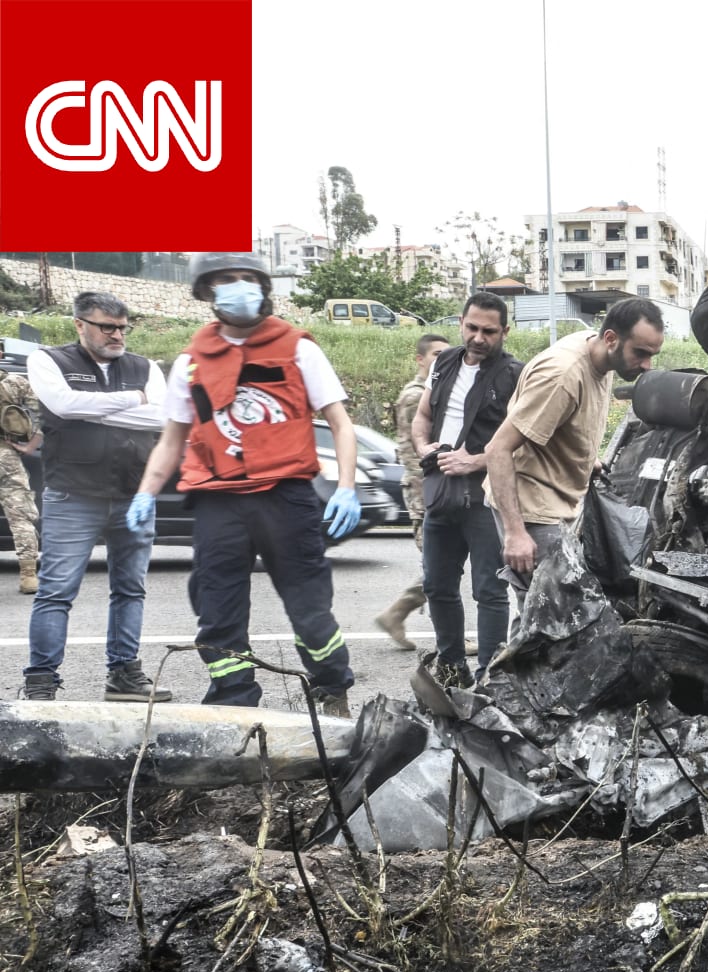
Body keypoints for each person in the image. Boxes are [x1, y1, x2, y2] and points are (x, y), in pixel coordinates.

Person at [128, 251, 359, 716]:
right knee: (218, 614)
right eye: (226, 280)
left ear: (263, 287)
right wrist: (145, 492)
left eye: (246, 278)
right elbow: (172, 438)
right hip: (218, 502)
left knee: (310, 612)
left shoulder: (298, 348)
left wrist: (347, 487)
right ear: (207, 293)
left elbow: (340, 422)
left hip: (286, 497)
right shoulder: (191, 362)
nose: (238, 287)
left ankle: (331, 689)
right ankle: (235, 709)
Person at [20, 291, 169, 703]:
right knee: (56, 591)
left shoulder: (145, 366)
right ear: (80, 324)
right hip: (73, 495)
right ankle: (41, 681)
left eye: (122, 327)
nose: (117, 334)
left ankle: (123, 674)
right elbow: (63, 406)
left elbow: (161, 416)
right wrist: (131, 400)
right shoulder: (49, 360)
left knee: (130, 589)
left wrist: (93, 409)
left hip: (133, 494)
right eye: (107, 326)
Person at [485, 296, 662, 598]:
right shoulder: (563, 376)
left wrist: (584, 458)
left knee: (539, 615)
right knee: (559, 613)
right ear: (610, 338)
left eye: (652, 355)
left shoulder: (598, 354)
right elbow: (498, 449)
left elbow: (565, 422)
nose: (647, 365)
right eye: (641, 353)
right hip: (532, 508)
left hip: (557, 500)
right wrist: (516, 533)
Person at [410, 293, 522, 684]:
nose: (478, 337)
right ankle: (451, 667)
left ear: (505, 331)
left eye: (489, 331)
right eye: (472, 327)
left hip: (486, 498)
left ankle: (489, 676)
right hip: (441, 493)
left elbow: (524, 440)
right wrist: (425, 447)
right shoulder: (444, 363)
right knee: (437, 586)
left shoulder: (514, 375)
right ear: (461, 322)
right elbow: (423, 416)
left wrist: (474, 460)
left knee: (490, 591)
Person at [372, 332, 450, 651]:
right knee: (439, 566)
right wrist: (433, 490)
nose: (442, 360)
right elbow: (412, 452)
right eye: (436, 355)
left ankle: (399, 615)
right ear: (420, 359)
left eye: (447, 354)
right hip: (424, 491)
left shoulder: (434, 391)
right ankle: (437, 631)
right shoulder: (415, 396)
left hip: (436, 488)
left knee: (442, 565)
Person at [0, 368, 39, 596]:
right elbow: (42, 412)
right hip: (6, 457)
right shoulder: (14, 382)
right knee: (20, 517)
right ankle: (28, 576)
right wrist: (32, 443)